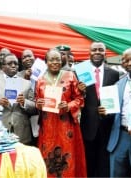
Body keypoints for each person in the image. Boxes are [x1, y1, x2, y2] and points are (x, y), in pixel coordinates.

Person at [35, 49, 86, 177]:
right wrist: (38, 105)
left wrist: (68, 105)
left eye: (57, 59)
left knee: (68, 159)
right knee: (48, 160)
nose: (55, 62)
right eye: (52, 59)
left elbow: (79, 99)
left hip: (66, 127)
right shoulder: (40, 80)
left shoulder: (70, 76)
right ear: (46, 62)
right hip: (48, 128)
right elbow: (36, 101)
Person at [79, 41, 120, 177]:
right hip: (87, 126)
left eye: (100, 50)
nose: (97, 52)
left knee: (104, 166)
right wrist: (80, 92)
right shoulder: (80, 71)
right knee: (89, 166)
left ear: (105, 53)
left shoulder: (114, 74)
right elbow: (75, 98)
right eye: (94, 50)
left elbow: (116, 98)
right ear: (89, 52)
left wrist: (109, 112)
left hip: (107, 126)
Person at [107, 47, 131, 177]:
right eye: (125, 60)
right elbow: (114, 112)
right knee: (117, 173)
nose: (129, 63)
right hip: (120, 137)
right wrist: (104, 112)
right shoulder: (119, 83)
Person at [0, 53, 36, 145]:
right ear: (2, 67)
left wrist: (24, 102)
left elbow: (35, 108)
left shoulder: (26, 83)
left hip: (22, 133)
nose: (13, 66)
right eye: (10, 63)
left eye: (16, 63)